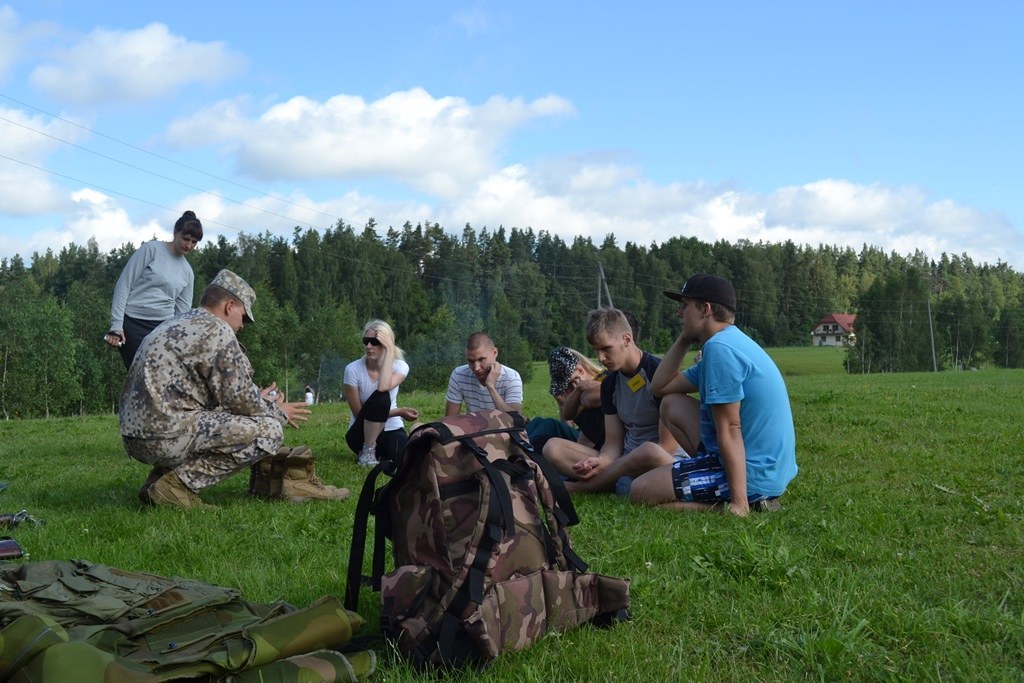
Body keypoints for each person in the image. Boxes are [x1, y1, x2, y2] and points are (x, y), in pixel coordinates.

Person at [120, 269, 347, 509]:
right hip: (164, 436)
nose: (242, 326)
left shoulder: (174, 323)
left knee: (222, 419)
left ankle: (156, 483)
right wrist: (277, 411)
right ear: (229, 306)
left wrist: (254, 399)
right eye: (244, 317)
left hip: (136, 436)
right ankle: (177, 486)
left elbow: (196, 394)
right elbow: (240, 400)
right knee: (269, 430)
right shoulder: (216, 329)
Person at [629, 274, 798, 516]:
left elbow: (730, 427)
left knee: (641, 490)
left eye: (685, 306)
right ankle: (717, 482)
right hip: (766, 469)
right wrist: (685, 338)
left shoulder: (721, 350)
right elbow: (661, 387)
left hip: (753, 474)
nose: (679, 313)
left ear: (705, 309)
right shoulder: (727, 342)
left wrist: (739, 502)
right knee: (671, 404)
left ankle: (741, 504)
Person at [544, 308, 678, 494]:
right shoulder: (609, 383)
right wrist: (602, 461)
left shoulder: (658, 373)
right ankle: (609, 479)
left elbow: (668, 447)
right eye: (596, 351)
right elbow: (613, 443)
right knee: (552, 448)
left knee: (639, 464)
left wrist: (619, 464)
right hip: (623, 457)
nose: (601, 358)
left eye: (606, 349)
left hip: (659, 459)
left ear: (627, 339)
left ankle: (582, 488)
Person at [106, 211, 203, 369]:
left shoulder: (187, 272)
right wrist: (116, 326)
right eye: (185, 239)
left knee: (160, 375)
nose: (189, 245)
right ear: (175, 232)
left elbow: (182, 312)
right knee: (139, 373)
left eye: (194, 242)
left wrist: (178, 340)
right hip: (133, 323)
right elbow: (124, 284)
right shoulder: (151, 250)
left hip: (162, 329)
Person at [343, 320, 419, 467]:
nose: (368, 346)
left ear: (387, 343)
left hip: (391, 429)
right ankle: (368, 451)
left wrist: (390, 351)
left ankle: (379, 454)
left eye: (375, 342)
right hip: (360, 433)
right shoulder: (352, 369)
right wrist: (398, 412)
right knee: (382, 397)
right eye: (366, 341)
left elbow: (384, 385)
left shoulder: (400, 366)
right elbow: (359, 414)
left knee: (402, 455)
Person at [527, 346, 607, 454]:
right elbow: (570, 426)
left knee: (550, 425)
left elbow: (585, 440)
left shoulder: (598, 388)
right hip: (587, 438)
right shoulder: (584, 389)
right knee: (537, 422)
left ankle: (525, 453)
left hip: (596, 444)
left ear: (580, 371)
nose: (568, 390)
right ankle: (517, 445)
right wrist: (562, 404)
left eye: (569, 385)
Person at [444, 332, 523, 415]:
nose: (476, 368)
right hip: (473, 423)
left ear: (495, 353)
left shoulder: (511, 378)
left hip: (503, 424)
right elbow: (450, 418)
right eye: (471, 361)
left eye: (481, 359)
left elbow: (516, 419)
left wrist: (490, 386)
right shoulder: (459, 375)